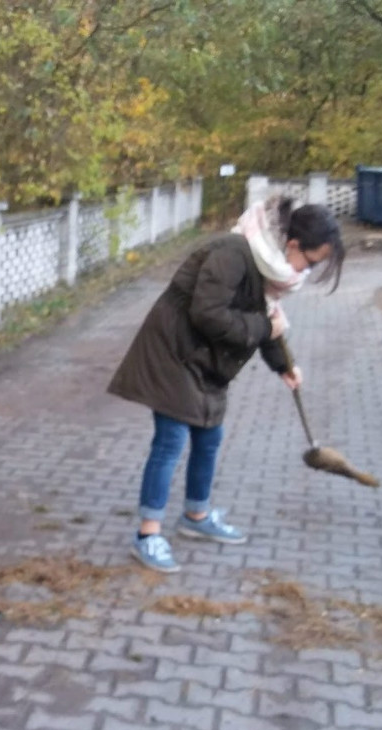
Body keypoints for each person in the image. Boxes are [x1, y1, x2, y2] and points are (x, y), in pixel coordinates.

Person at [107, 197, 345, 573]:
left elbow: (264, 318)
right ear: (293, 245)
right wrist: (265, 328)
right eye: (311, 262)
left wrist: (283, 365)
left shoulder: (269, 267)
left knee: (209, 437)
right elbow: (210, 313)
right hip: (174, 354)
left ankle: (196, 516)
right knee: (171, 441)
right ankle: (147, 534)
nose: (308, 271)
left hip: (206, 361)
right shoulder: (233, 253)